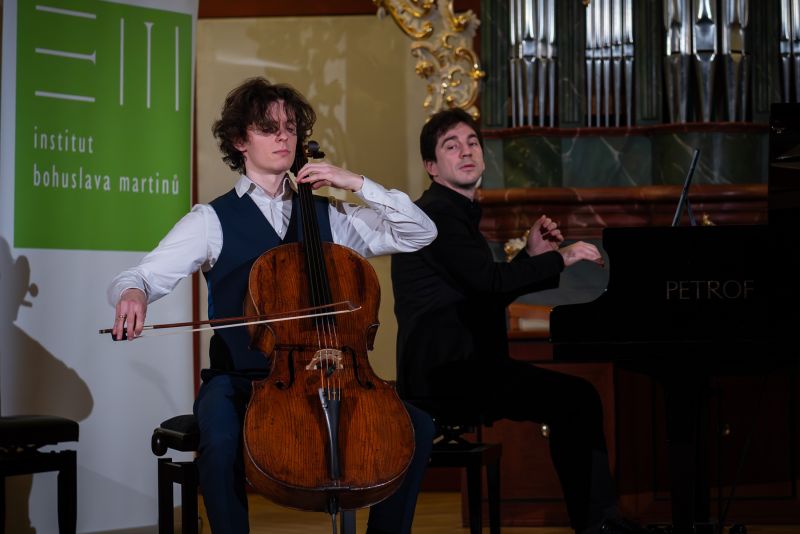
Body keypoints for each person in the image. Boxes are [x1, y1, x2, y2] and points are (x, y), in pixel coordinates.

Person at [108, 77, 436, 534]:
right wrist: (133, 294)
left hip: (333, 371)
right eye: (268, 128)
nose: (284, 137)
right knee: (220, 441)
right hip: (240, 380)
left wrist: (355, 183)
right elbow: (141, 275)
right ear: (240, 141)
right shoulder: (211, 220)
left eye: (290, 128)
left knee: (415, 426)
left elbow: (420, 233)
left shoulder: (331, 215)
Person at [391, 108, 646, 534]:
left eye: (472, 142)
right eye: (451, 146)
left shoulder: (452, 213)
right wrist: (560, 258)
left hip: (462, 368)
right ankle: (600, 524)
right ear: (431, 166)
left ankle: (599, 521)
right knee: (577, 399)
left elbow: (482, 291)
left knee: (576, 399)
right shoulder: (437, 214)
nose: (466, 151)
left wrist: (531, 256)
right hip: (449, 374)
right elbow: (489, 284)